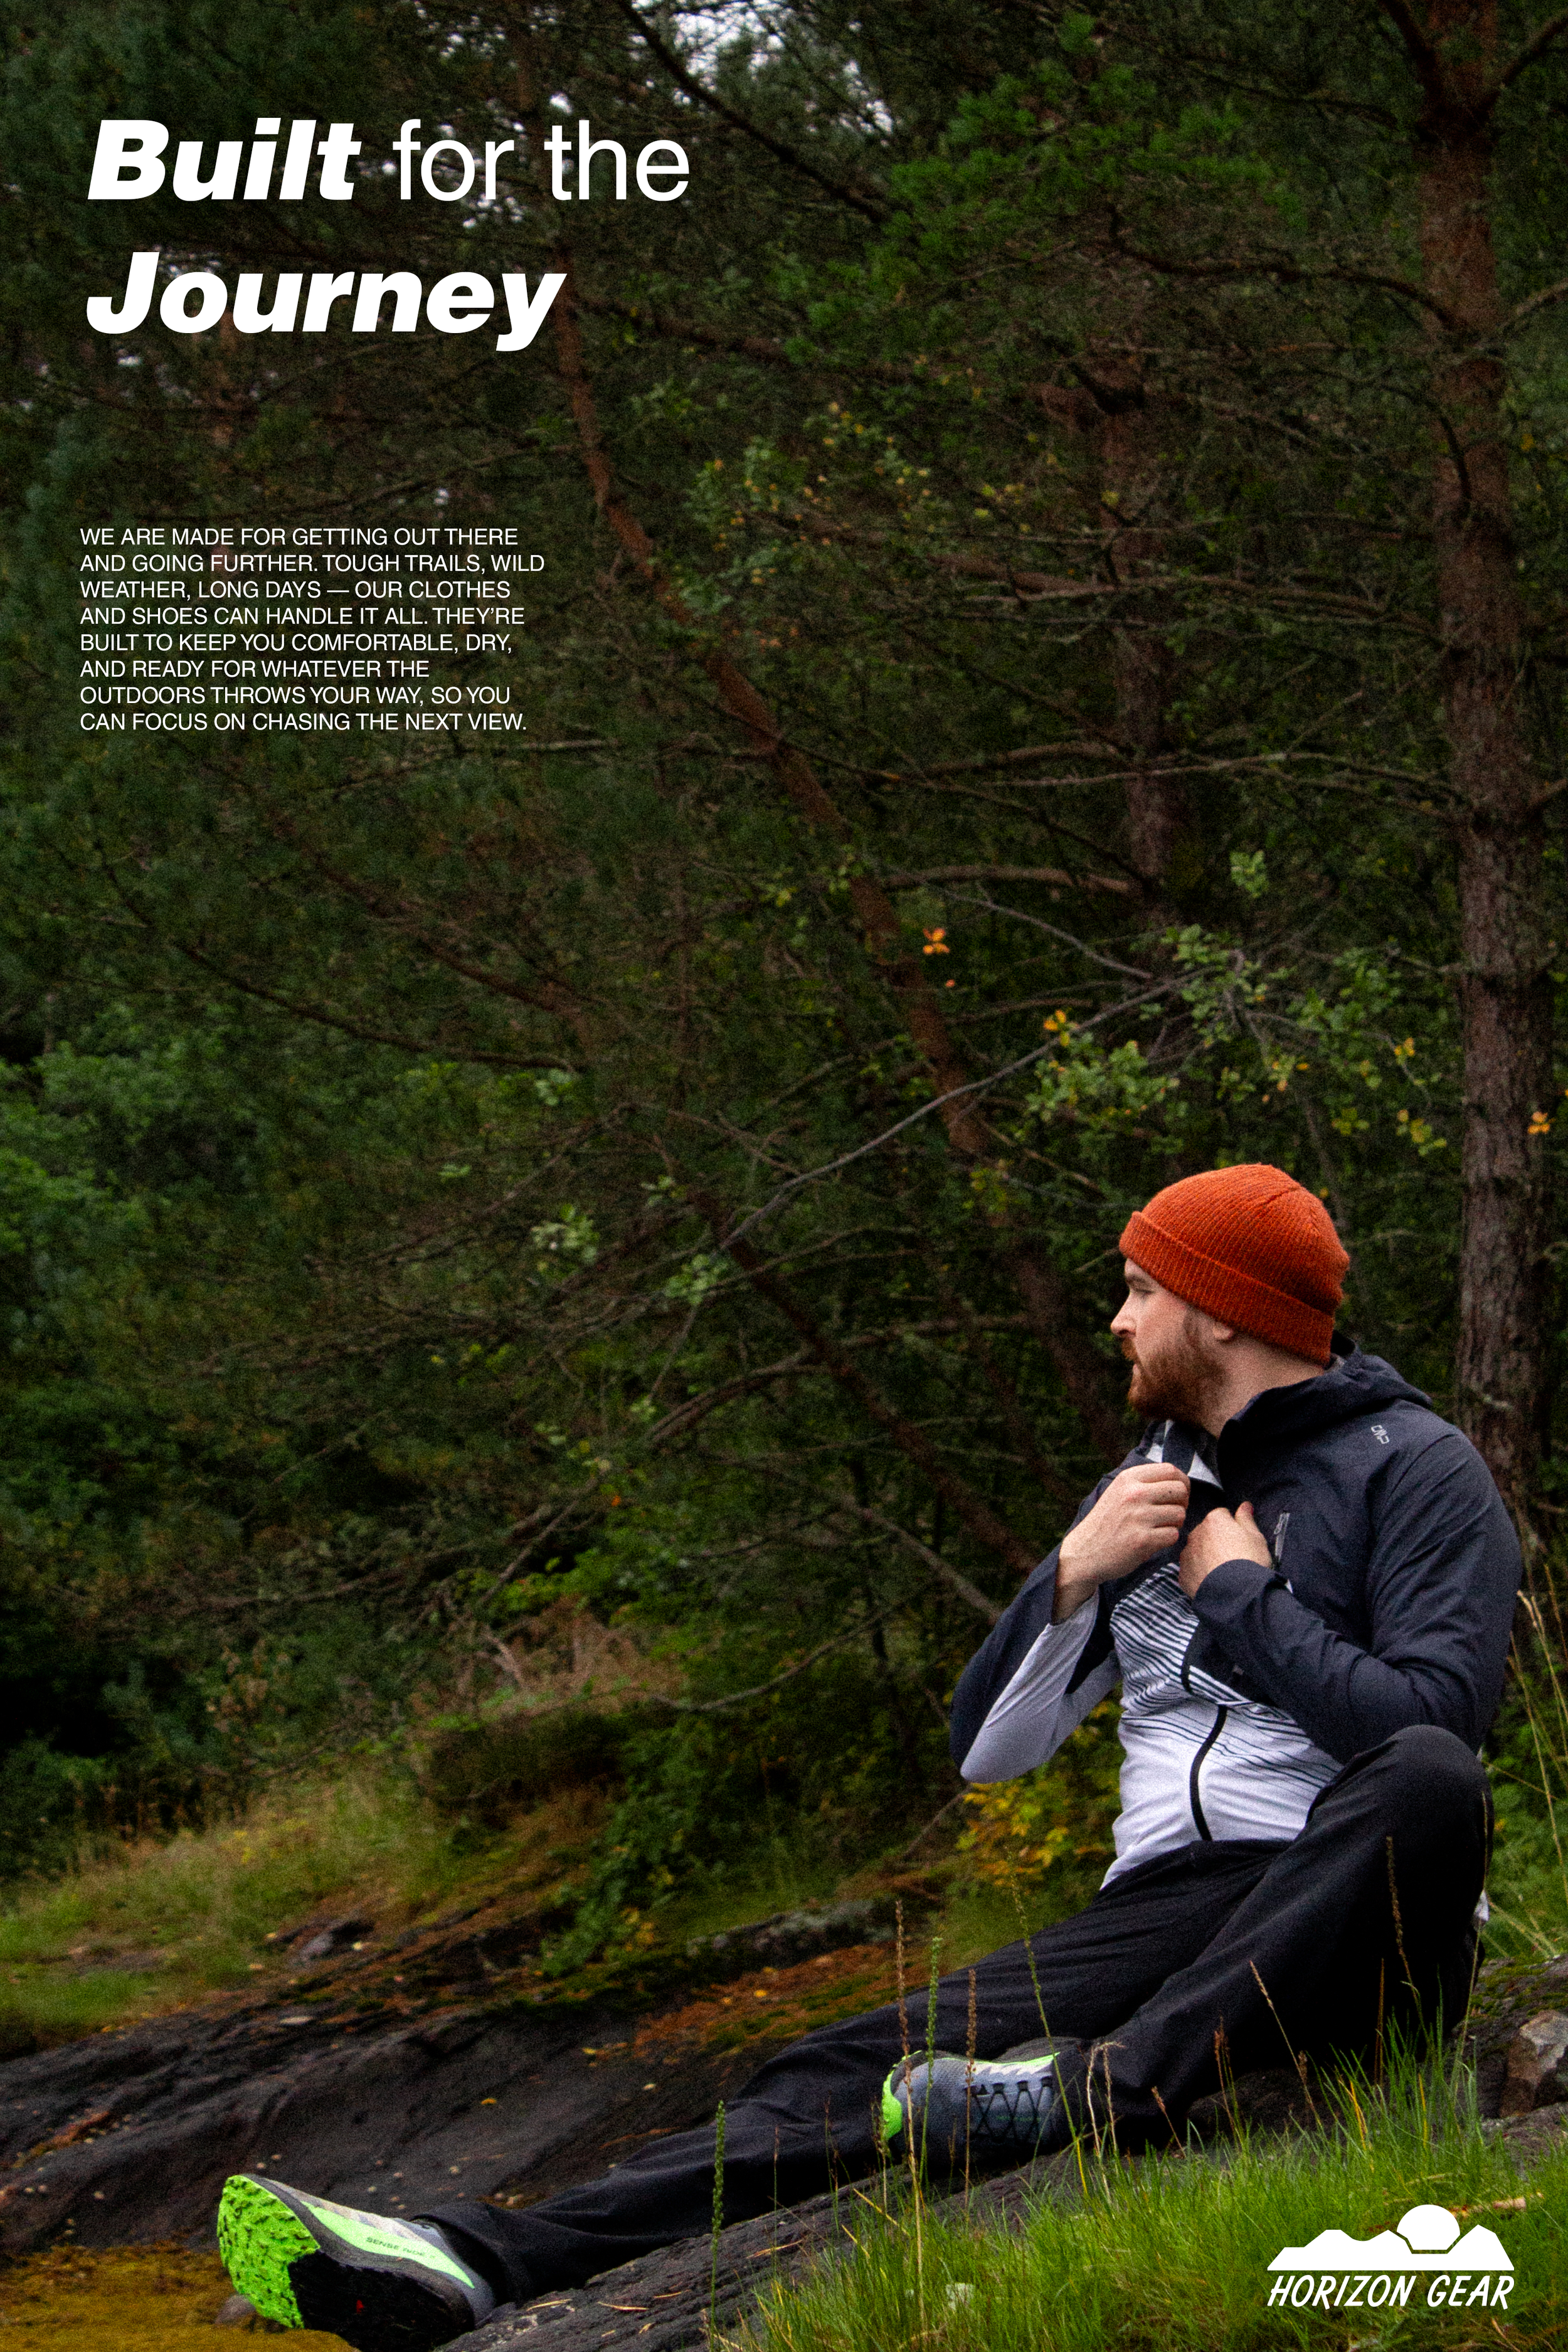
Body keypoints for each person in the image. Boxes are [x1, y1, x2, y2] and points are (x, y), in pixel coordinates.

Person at [215, 1163, 1520, 2352]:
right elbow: (988, 1756)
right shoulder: (1147, 1483)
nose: (1116, 1320)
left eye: (1137, 1289)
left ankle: (1101, 2088)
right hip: (1168, 1916)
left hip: (1351, 1908)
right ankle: (475, 2262)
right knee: (840, 2070)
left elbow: (1429, 1730)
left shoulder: (1416, 1469)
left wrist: (1239, 1596)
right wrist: (1066, 1576)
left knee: (1420, 1779)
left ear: (1223, 1312)